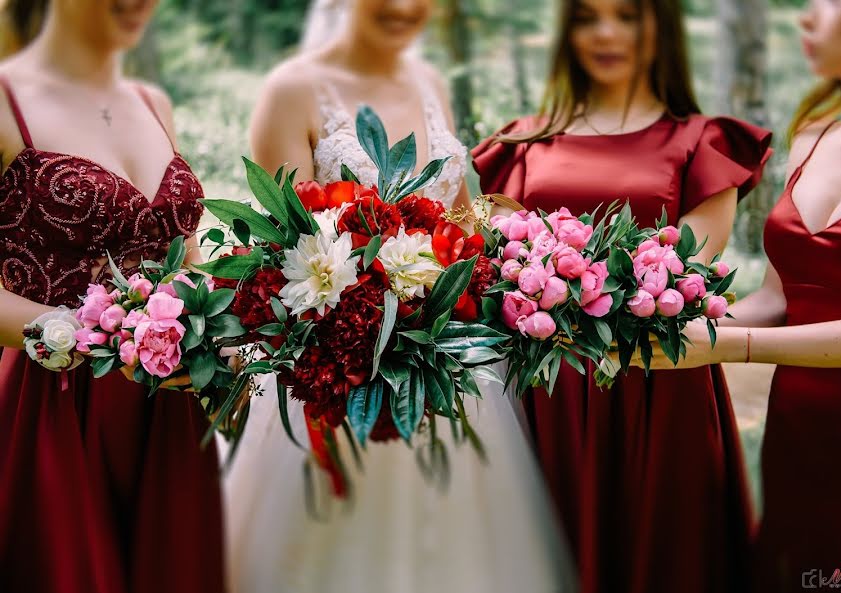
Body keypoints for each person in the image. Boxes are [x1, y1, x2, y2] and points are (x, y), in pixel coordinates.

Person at [221, 1, 576, 591]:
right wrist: (371, 313)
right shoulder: (294, 91)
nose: (405, 7)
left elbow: (461, 223)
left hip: (450, 356)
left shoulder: (429, 81)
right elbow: (288, 251)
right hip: (341, 366)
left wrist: (528, 256)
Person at [472, 0, 772, 591]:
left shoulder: (704, 143)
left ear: (658, 25)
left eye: (627, 15)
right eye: (587, 17)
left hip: (658, 381)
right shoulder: (521, 143)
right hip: (546, 387)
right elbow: (494, 265)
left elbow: (692, 272)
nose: (606, 33)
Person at [643, 1, 841, 589]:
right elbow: (777, 298)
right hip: (798, 431)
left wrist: (725, 349)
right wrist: (662, 323)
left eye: (835, 1)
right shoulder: (813, 139)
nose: (810, 17)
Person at [0, 1, 225, 592]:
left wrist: (217, 333)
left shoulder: (155, 104)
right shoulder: (4, 99)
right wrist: (91, 333)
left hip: (166, 402)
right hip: (51, 403)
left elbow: (187, 259)